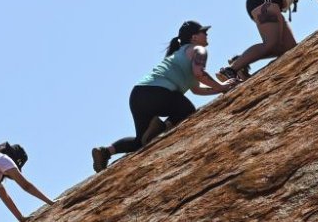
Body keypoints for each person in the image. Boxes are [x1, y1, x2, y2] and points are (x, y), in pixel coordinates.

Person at [92, 20, 234, 172]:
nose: (206, 34)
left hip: (138, 95)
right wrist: (222, 86)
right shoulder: (198, 49)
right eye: (203, 32)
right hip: (158, 94)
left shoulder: (179, 55)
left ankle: (106, 151)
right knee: (186, 109)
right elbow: (200, 74)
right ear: (194, 37)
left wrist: (220, 89)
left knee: (141, 141)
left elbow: (197, 89)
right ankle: (160, 127)